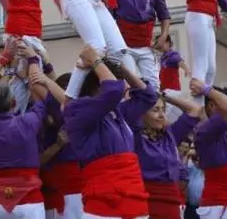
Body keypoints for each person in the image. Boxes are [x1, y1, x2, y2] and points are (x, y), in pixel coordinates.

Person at [38, 45, 157, 218]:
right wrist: (95, 60)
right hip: (105, 204)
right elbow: (114, 90)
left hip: (135, 201)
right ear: (98, 84)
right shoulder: (77, 113)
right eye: (117, 79)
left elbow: (149, 97)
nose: (124, 86)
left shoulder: (117, 112)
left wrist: (121, 68)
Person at [0, 57, 48, 219]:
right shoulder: (27, 122)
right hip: (29, 202)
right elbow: (41, 102)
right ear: (14, 102)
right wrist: (31, 68)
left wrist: (9, 72)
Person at [132, 92, 203, 218]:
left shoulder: (170, 134)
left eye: (163, 110)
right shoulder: (136, 136)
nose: (161, 115)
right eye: (155, 110)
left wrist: (164, 96)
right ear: (143, 113)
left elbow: (195, 110)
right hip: (146, 204)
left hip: (172, 204)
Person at [191, 80, 227, 218]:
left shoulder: (221, 127)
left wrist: (209, 90)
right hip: (219, 205)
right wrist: (206, 89)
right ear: (212, 106)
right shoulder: (206, 130)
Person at [112, 0, 171, 84]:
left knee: (154, 85)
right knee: (131, 81)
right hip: (124, 47)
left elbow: (164, 16)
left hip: (146, 48)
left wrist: (163, 35)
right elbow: (108, 18)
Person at [37, 73, 84, 219]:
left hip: (85, 188)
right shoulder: (47, 123)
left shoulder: (85, 117)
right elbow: (37, 161)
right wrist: (58, 145)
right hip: (59, 192)